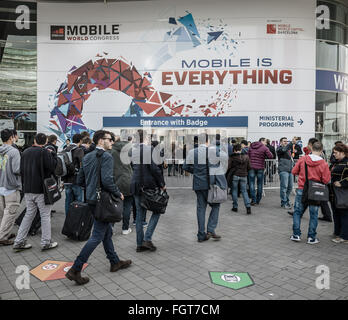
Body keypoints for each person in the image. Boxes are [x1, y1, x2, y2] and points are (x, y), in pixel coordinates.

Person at [65, 130, 131, 285]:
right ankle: (75, 269)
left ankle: (114, 261)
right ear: (101, 140)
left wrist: (91, 188)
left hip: (92, 200)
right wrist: (118, 193)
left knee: (106, 233)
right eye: (110, 140)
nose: (112, 143)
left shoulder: (87, 156)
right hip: (103, 201)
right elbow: (108, 180)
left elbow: (80, 179)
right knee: (97, 236)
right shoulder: (106, 157)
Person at [13, 133, 58, 252]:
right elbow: (52, 167)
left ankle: (19, 241)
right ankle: (46, 242)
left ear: (34, 140)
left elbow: (21, 170)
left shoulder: (26, 152)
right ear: (45, 141)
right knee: (45, 215)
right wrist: (53, 155)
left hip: (28, 188)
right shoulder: (45, 152)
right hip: (41, 190)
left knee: (29, 214)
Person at [183, 133, 227, 242]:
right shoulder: (213, 151)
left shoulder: (192, 152)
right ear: (208, 141)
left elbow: (185, 166)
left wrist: (196, 171)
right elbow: (225, 158)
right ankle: (211, 229)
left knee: (201, 208)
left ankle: (201, 234)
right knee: (216, 205)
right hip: (212, 183)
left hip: (199, 183)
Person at [131, 129, 166, 252]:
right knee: (157, 210)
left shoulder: (132, 151)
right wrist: (162, 184)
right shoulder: (150, 149)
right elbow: (155, 169)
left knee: (140, 215)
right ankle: (147, 239)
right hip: (149, 186)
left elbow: (133, 167)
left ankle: (140, 244)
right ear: (146, 138)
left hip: (136, 185)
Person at [290, 142, 331, 244]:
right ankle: (311, 237)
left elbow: (294, 171)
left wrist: (303, 174)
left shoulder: (303, 159)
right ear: (321, 151)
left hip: (302, 189)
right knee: (314, 214)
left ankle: (296, 235)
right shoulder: (324, 163)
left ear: (311, 148)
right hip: (316, 191)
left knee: (298, 212)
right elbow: (326, 180)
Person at [288, 137, 332, 221]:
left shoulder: (313, 157)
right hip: (317, 185)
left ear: (311, 145)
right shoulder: (316, 156)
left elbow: (294, 171)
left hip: (309, 184)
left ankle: (298, 216)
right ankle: (313, 229)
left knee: (309, 201)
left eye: (308, 144)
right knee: (314, 206)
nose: (307, 146)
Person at [0, 129, 21, 246]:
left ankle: (4, 233)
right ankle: (2, 236)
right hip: (11, 186)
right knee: (10, 212)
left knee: (2, 213)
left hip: (0, 185)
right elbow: (17, 169)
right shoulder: (14, 151)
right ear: (11, 138)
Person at [110, 131, 134, 235]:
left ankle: (110, 229)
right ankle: (125, 228)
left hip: (115, 180)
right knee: (127, 205)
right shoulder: (130, 149)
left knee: (113, 205)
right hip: (129, 179)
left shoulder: (110, 151)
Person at [330, 143, 348, 243]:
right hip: (334, 193)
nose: (334, 154)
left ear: (342, 153)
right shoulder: (336, 162)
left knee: (344, 214)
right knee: (336, 213)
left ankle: (344, 236)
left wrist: (342, 183)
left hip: (343, 194)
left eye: (336, 153)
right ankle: (337, 233)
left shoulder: (346, 162)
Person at [62, 133, 84, 216]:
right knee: (79, 201)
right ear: (80, 140)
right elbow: (82, 164)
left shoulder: (66, 149)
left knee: (68, 200)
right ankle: (77, 220)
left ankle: (68, 219)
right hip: (76, 179)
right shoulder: (79, 150)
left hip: (66, 179)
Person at [227, 143, 251, 214]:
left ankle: (235, 207)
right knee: (244, 191)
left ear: (234, 150)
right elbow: (249, 167)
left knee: (234, 190)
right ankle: (248, 207)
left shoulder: (232, 157)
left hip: (235, 175)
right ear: (241, 149)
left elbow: (228, 166)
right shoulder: (246, 157)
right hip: (244, 175)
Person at [248, 138, 273, 205]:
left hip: (251, 167)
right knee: (259, 184)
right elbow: (271, 156)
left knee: (251, 184)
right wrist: (264, 155)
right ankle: (258, 200)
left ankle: (253, 200)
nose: (266, 143)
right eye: (265, 142)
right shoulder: (264, 148)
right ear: (261, 141)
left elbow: (248, 156)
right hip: (260, 167)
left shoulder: (251, 146)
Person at [277, 137, 294, 210]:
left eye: (286, 141)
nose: (286, 142)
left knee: (290, 187)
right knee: (284, 187)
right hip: (283, 170)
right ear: (280, 142)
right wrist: (291, 143)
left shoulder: (288, 149)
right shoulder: (279, 149)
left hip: (290, 170)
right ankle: (284, 202)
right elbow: (284, 149)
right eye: (284, 141)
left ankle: (285, 200)